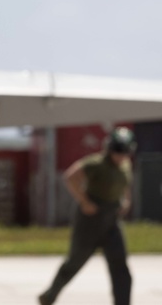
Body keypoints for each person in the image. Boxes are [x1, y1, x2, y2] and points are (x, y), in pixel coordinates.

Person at [38, 126, 137, 305]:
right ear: (109, 149)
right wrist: (84, 202)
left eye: (124, 152)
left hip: (111, 220)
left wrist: (126, 201)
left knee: (120, 264)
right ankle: (50, 295)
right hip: (91, 218)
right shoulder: (97, 163)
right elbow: (71, 176)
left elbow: (126, 184)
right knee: (75, 261)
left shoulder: (125, 165)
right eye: (117, 151)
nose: (121, 156)